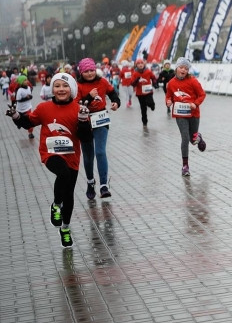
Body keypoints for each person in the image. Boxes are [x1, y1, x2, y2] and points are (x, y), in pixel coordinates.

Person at [7, 72, 92, 247]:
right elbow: (28, 123)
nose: (61, 89)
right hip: (50, 153)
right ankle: (56, 205)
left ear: (72, 89)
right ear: (52, 89)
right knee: (63, 174)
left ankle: (65, 228)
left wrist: (83, 121)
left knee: (69, 193)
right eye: (57, 86)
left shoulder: (79, 109)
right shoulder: (44, 108)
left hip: (72, 156)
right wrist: (16, 116)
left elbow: (85, 138)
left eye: (65, 86)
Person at [75, 57, 120, 199]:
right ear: (81, 73)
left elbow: (113, 93)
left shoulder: (102, 82)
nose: (89, 73)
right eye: (86, 71)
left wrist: (116, 103)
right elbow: (76, 105)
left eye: (92, 70)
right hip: (84, 122)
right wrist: (89, 97)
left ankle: (104, 185)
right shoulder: (78, 86)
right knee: (88, 155)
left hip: (101, 119)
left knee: (100, 152)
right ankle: (90, 182)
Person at [165, 57, 207, 177]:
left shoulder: (193, 81)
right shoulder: (171, 83)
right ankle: (185, 166)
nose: (183, 70)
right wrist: (168, 102)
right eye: (181, 67)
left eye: (186, 68)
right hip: (180, 114)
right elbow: (168, 96)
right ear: (176, 68)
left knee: (193, 140)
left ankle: (198, 137)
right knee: (185, 138)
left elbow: (202, 94)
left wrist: (195, 104)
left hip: (193, 113)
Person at [130, 58, 158, 127]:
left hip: (148, 91)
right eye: (138, 64)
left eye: (141, 63)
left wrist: (155, 83)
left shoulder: (148, 71)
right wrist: (137, 80)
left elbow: (153, 77)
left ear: (144, 64)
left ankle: (152, 105)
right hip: (140, 93)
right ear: (136, 65)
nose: (140, 65)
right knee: (143, 108)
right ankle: (144, 121)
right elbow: (132, 84)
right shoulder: (135, 73)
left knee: (150, 103)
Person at [14, 74, 35, 139]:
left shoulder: (29, 88)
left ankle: (30, 133)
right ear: (21, 82)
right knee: (19, 119)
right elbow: (18, 100)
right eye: (25, 80)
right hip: (20, 109)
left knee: (30, 121)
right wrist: (26, 98)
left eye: (26, 80)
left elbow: (30, 96)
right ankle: (19, 124)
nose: (27, 81)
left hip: (28, 108)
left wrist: (30, 97)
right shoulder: (20, 90)